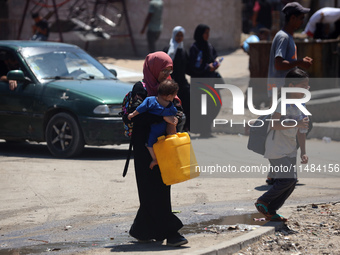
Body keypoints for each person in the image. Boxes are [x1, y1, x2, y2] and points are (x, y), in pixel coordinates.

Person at [128, 51, 188, 247]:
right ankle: (172, 232)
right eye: (163, 70)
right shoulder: (141, 89)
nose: (166, 74)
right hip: (144, 147)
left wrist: (176, 118)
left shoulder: (169, 87)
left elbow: (178, 110)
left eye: (169, 70)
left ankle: (142, 230)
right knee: (150, 190)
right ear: (153, 68)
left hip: (165, 146)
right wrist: (162, 117)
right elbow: (134, 117)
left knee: (161, 188)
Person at [266, 2, 312, 184]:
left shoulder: (288, 37)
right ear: (292, 18)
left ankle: (275, 173)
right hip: (281, 91)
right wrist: (299, 62)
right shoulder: (283, 37)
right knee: (281, 129)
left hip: (286, 91)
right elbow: (279, 64)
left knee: (288, 130)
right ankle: (278, 172)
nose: (302, 21)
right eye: (300, 18)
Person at [255, 68, 310, 222]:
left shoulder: (302, 104)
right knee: (288, 180)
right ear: (291, 87)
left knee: (290, 183)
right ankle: (263, 201)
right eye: (303, 86)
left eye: (307, 86)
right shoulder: (282, 102)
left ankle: (271, 210)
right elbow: (274, 124)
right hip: (276, 148)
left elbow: (301, 131)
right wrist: (297, 122)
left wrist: (303, 152)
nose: (307, 89)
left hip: (290, 149)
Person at [128, 79, 179, 169]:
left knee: (153, 144)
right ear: (169, 96)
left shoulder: (167, 105)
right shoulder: (152, 101)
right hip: (155, 131)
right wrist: (133, 114)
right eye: (174, 96)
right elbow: (140, 108)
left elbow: (176, 114)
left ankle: (160, 159)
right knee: (150, 144)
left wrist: (175, 121)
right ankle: (155, 159)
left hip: (161, 131)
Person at [188, 24, 223, 137]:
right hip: (200, 83)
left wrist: (216, 63)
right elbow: (193, 66)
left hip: (210, 81)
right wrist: (207, 67)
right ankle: (204, 130)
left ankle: (206, 128)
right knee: (202, 107)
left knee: (216, 103)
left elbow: (214, 57)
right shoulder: (195, 48)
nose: (208, 35)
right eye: (205, 33)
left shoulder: (209, 46)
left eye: (208, 33)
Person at [163, 26, 190, 131]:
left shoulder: (183, 51)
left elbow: (188, 67)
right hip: (170, 83)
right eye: (177, 35)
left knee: (187, 103)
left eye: (181, 35)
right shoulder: (168, 50)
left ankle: (185, 126)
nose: (179, 37)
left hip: (182, 83)